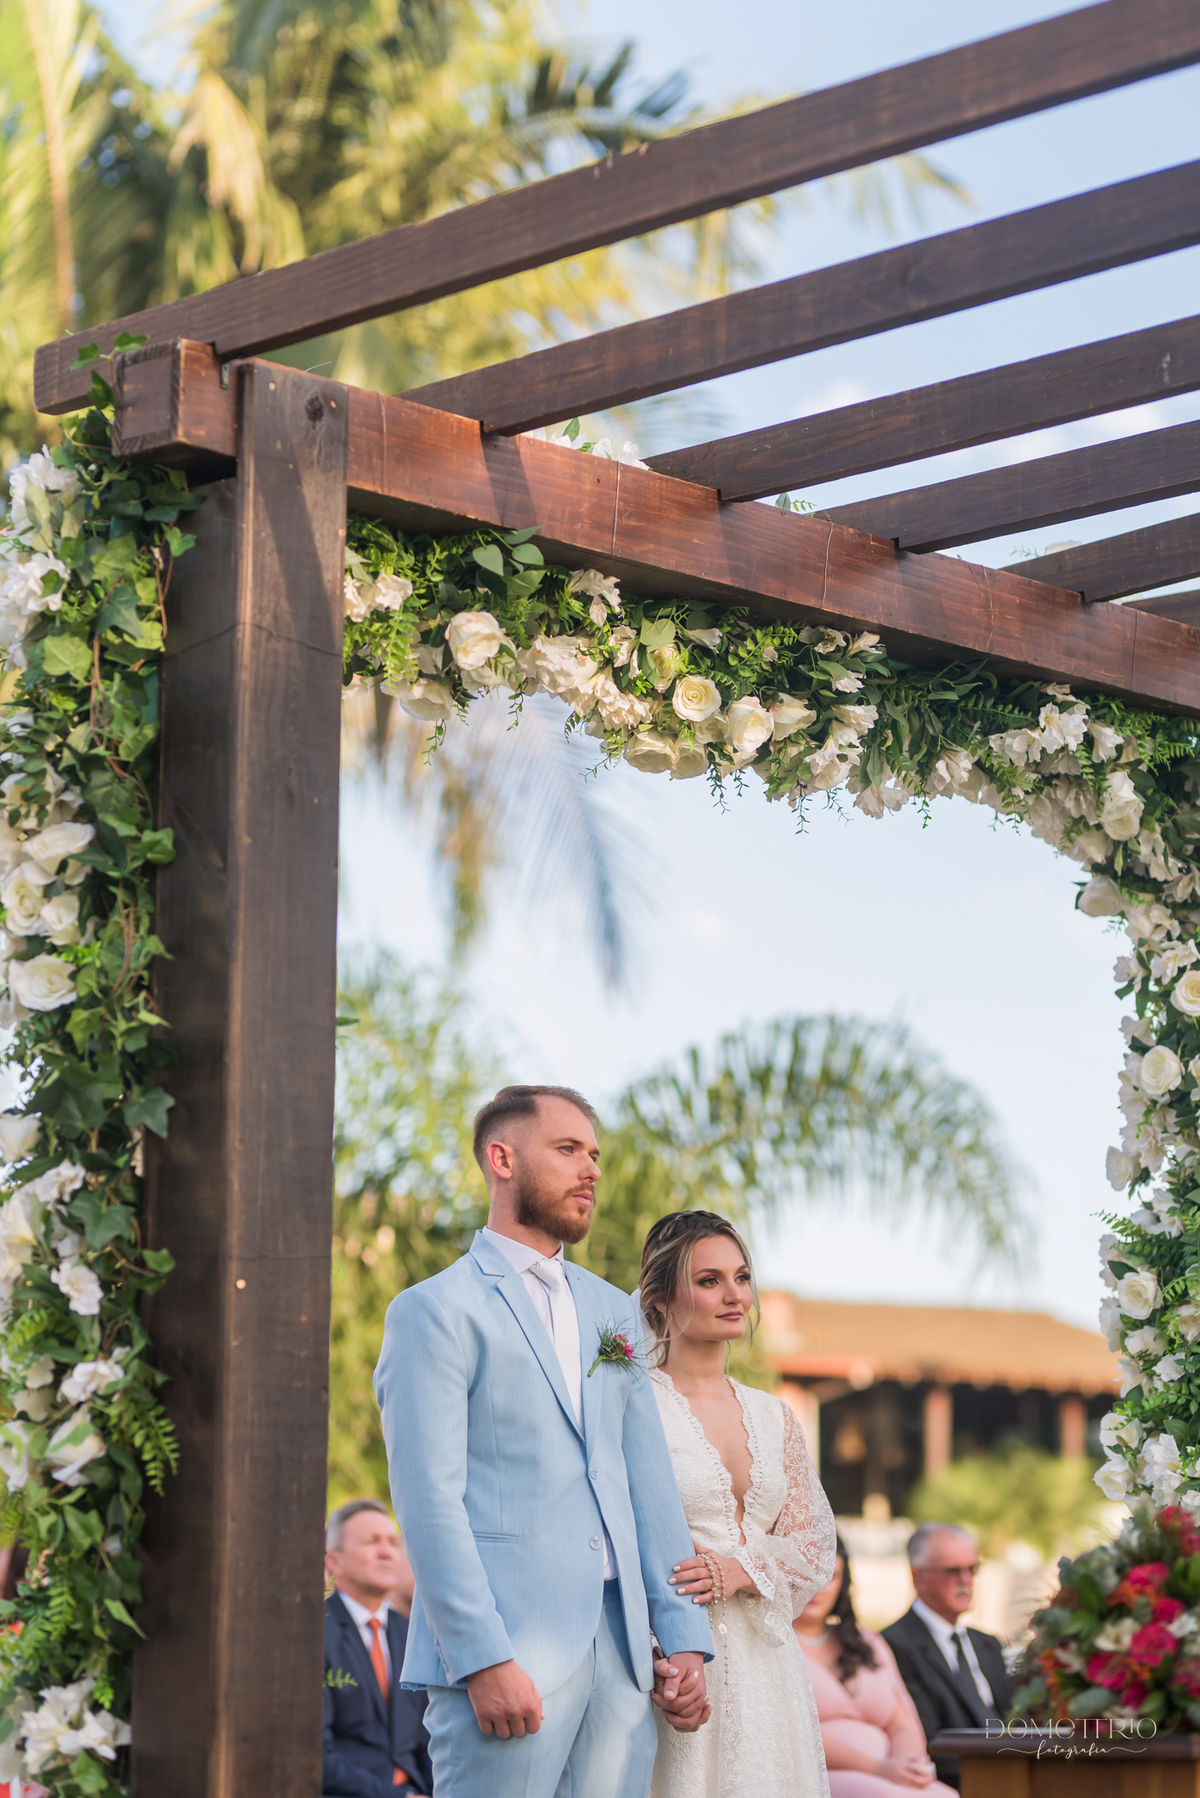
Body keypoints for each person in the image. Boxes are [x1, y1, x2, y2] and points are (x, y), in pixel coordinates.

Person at [375, 1084, 713, 1798]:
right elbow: (429, 1502)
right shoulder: (434, 1310)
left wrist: (683, 1636)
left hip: (622, 1660)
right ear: (502, 1159)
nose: (591, 1169)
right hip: (508, 1652)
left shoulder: (613, 1310)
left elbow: (646, 1480)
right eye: (567, 1150)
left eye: (594, 1154)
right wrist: (481, 1658)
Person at [639, 1209, 836, 1798]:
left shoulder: (775, 1416)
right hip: (675, 1660)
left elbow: (814, 1544)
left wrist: (741, 1568)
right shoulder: (634, 1405)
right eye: (710, 1280)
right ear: (660, 1299)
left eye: (742, 1277)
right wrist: (659, 1652)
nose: (735, 1296)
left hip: (767, 1663)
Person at [794, 1533, 955, 1795]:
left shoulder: (868, 1641)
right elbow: (789, 1732)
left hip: (888, 1774)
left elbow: (903, 1722)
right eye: (807, 1574)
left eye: (830, 1576)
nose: (818, 1586)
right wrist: (877, 1768)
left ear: (843, 1583)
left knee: (944, 1795)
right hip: (816, 1776)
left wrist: (908, 1766)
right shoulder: (770, 1646)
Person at [881, 1524, 1013, 1791]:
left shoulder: (987, 1644)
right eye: (952, 1571)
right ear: (918, 1576)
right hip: (959, 1783)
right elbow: (927, 1741)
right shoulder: (893, 1645)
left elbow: (1015, 1719)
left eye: (972, 1569)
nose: (966, 1580)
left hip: (1017, 1773)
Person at [323, 1499, 433, 1796]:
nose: (386, 1552)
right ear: (335, 1562)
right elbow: (316, 1755)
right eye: (371, 1542)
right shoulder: (316, 1633)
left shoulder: (411, 1633)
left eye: (392, 1543)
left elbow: (427, 1742)